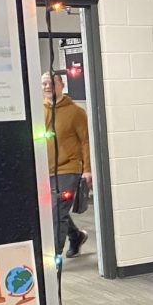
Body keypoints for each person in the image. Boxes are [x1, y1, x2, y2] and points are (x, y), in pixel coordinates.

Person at [41, 71, 91, 258]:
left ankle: (53, 258)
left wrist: (87, 170)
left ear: (61, 85)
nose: (47, 87)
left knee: (56, 212)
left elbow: (85, 141)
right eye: (44, 84)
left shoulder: (76, 112)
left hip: (69, 168)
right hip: (45, 170)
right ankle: (76, 236)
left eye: (51, 83)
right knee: (54, 210)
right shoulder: (38, 111)